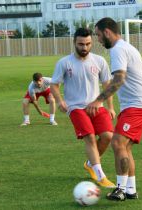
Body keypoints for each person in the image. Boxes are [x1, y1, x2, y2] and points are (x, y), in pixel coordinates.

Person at [86, 17, 142, 201]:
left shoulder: (118, 50)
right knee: (124, 147)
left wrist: (97, 101)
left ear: (107, 32)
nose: (99, 40)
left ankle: (120, 189)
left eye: (99, 35)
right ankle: (130, 189)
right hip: (138, 105)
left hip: (137, 106)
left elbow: (118, 80)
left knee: (117, 143)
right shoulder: (127, 47)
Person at [50, 28, 116, 188]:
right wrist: (60, 101)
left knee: (108, 137)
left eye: (88, 44)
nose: (84, 47)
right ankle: (100, 176)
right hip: (76, 108)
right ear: (74, 42)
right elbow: (54, 84)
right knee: (90, 137)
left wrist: (111, 107)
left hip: (97, 106)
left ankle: (90, 163)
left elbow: (107, 85)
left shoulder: (100, 61)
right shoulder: (64, 62)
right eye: (81, 44)